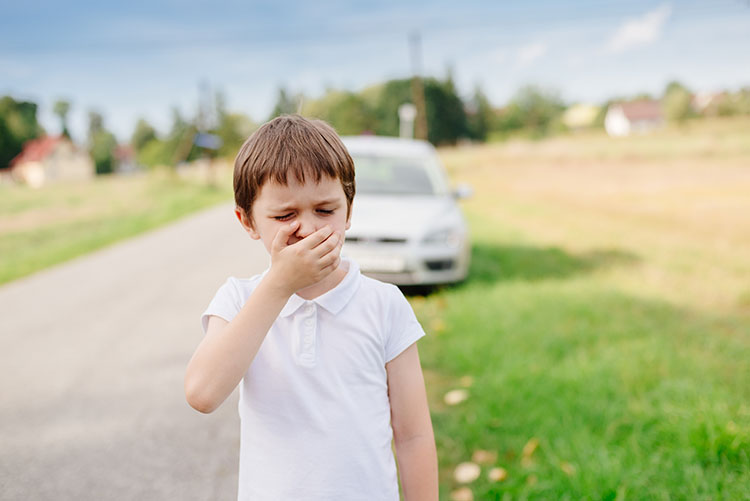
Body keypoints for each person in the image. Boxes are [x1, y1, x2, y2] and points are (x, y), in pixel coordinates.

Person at [184, 115, 438, 500]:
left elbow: (413, 435)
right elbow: (202, 393)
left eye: (325, 210)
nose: (309, 228)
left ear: (349, 210)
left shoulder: (384, 306)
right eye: (285, 216)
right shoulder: (238, 299)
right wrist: (279, 285)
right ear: (247, 220)